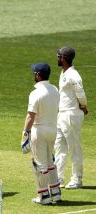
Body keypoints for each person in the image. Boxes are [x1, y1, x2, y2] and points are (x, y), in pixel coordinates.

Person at [21, 63, 61, 205]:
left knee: (39, 165)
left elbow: (30, 116)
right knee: (50, 162)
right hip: (53, 129)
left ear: (38, 75)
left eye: (34, 73)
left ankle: (44, 196)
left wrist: (25, 134)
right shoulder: (55, 89)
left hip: (39, 131)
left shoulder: (35, 93)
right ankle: (55, 193)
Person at [54, 47, 88, 189]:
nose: (57, 58)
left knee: (74, 147)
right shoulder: (64, 73)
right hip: (62, 114)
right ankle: (58, 178)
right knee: (59, 146)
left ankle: (77, 179)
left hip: (71, 114)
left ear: (63, 58)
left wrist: (84, 105)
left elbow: (80, 91)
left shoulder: (73, 74)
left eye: (58, 56)